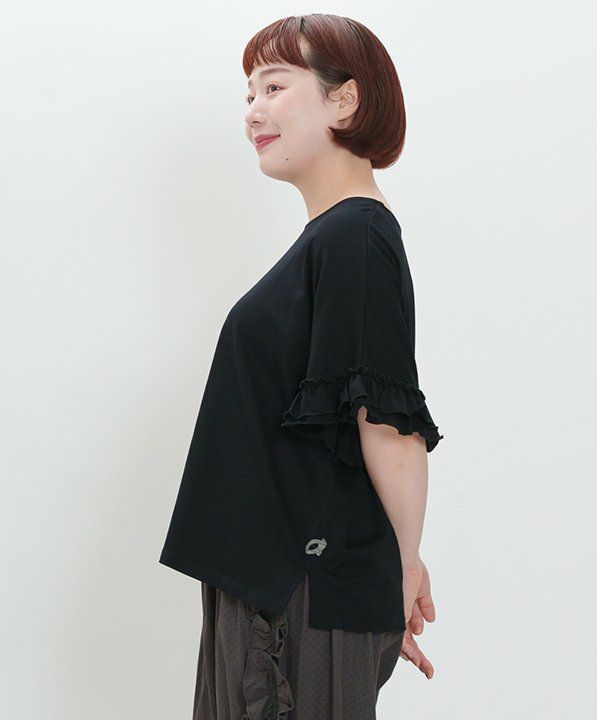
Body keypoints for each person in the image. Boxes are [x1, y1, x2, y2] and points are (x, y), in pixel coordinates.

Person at [159, 13, 444, 719]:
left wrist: (402, 568)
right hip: (276, 582)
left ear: (344, 100)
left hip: (299, 590)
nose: (253, 111)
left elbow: (387, 424)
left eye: (274, 86)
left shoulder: (355, 235)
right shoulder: (333, 238)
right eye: (249, 93)